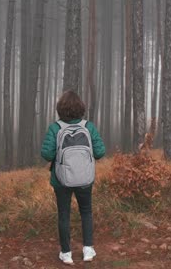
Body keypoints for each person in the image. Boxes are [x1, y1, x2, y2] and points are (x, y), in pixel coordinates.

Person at [41, 90, 106, 264]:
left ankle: (66, 253)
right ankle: (88, 250)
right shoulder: (88, 127)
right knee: (86, 212)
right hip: (85, 179)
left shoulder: (55, 128)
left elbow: (47, 154)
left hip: (60, 179)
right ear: (81, 108)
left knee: (64, 214)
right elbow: (100, 152)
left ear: (60, 109)